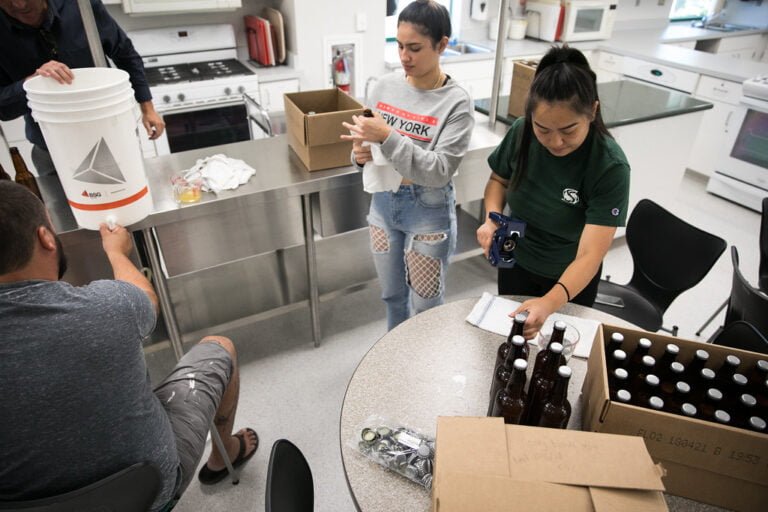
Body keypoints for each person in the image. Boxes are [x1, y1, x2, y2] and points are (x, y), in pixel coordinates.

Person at [0, 181, 257, 511]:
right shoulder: (105, 307)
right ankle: (225, 455)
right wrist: (115, 252)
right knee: (220, 347)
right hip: (149, 493)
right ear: (46, 237)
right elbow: (147, 300)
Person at [476, 45, 630, 340]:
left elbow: (590, 254)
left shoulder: (609, 166)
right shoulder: (521, 132)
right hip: (515, 259)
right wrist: (492, 218)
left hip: (570, 275)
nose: (555, 142)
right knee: (512, 340)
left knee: (558, 351)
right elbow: (499, 179)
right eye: (543, 129)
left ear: (593, 111)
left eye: (569, 130)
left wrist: (551, 301)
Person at [341, 0, 474, 330]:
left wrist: (387, 136)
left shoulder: (456, 102)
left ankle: (422, 370)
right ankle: (393, 358)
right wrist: (358, 157)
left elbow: (439, 169)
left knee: (426, 303)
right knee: (391, 295)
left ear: (442, 44)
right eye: (400, 45)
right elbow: (367, 144)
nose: (404, 57)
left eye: (414, 48)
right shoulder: (384, 86)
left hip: (428, 211)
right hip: (383, 204)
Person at [0, 0, 165, 176]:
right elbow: (3, 109)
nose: (19, 5)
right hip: (51, 150)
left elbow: (125, 54)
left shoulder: (81, 5)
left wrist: (148, 108)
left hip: (112, 135)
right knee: (60, 202)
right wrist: (31, 83)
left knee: (132, 197)